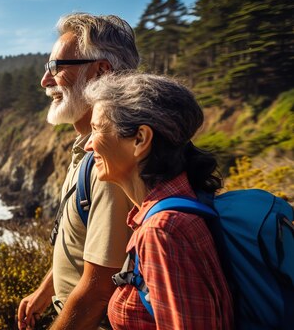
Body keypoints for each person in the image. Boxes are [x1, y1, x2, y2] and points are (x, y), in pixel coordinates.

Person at [83, 73, 234, 329]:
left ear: (140, 139)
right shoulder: (181, 205)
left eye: (97, 129)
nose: (88, 145)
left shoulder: (162, 231)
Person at [17, 13, 138, 330]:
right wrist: (47, 290)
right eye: (46, 69)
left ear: (100, 72)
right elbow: (87, 244)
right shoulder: (87, 149)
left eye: (56, 68)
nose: (45, 80)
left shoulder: (112, 163)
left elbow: (98, 292)